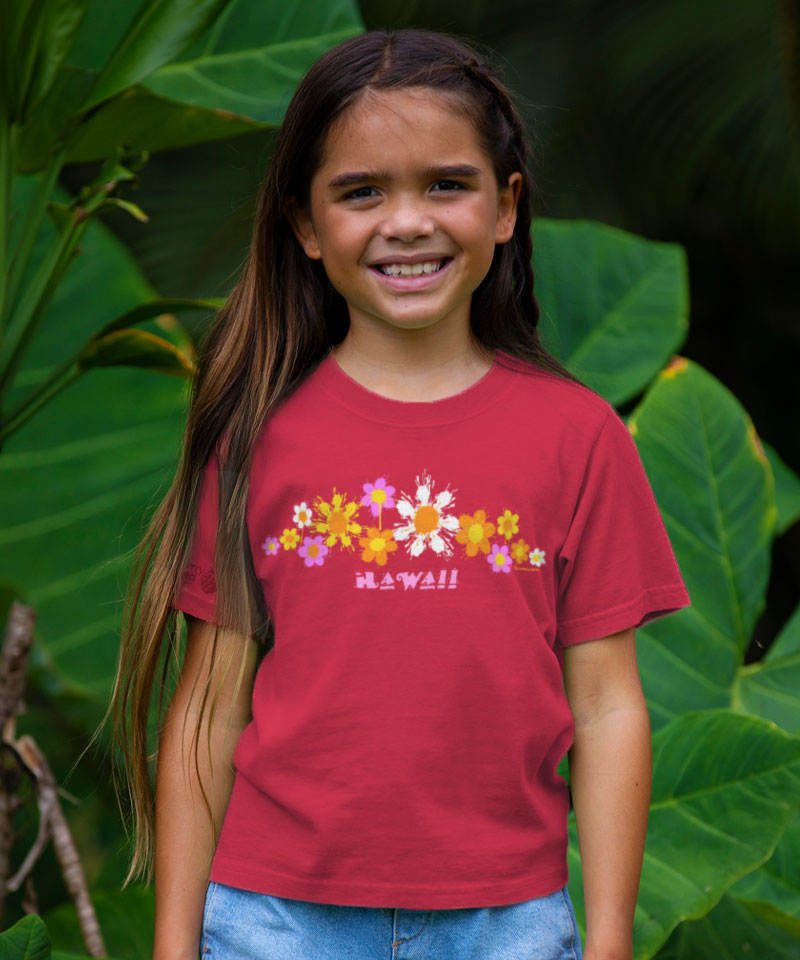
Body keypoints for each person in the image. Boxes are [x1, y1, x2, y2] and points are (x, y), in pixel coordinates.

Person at [103, 27, 691, 960]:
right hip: (276, 921)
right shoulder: (257, 434)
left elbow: (608, 708)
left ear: (507, 208)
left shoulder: (579, 436)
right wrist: (175, 947)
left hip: (507, 924)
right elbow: (209, 708)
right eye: (361, 191)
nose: (407, 222)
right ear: (305, 225)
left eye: (446, 184)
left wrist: (610, 939)